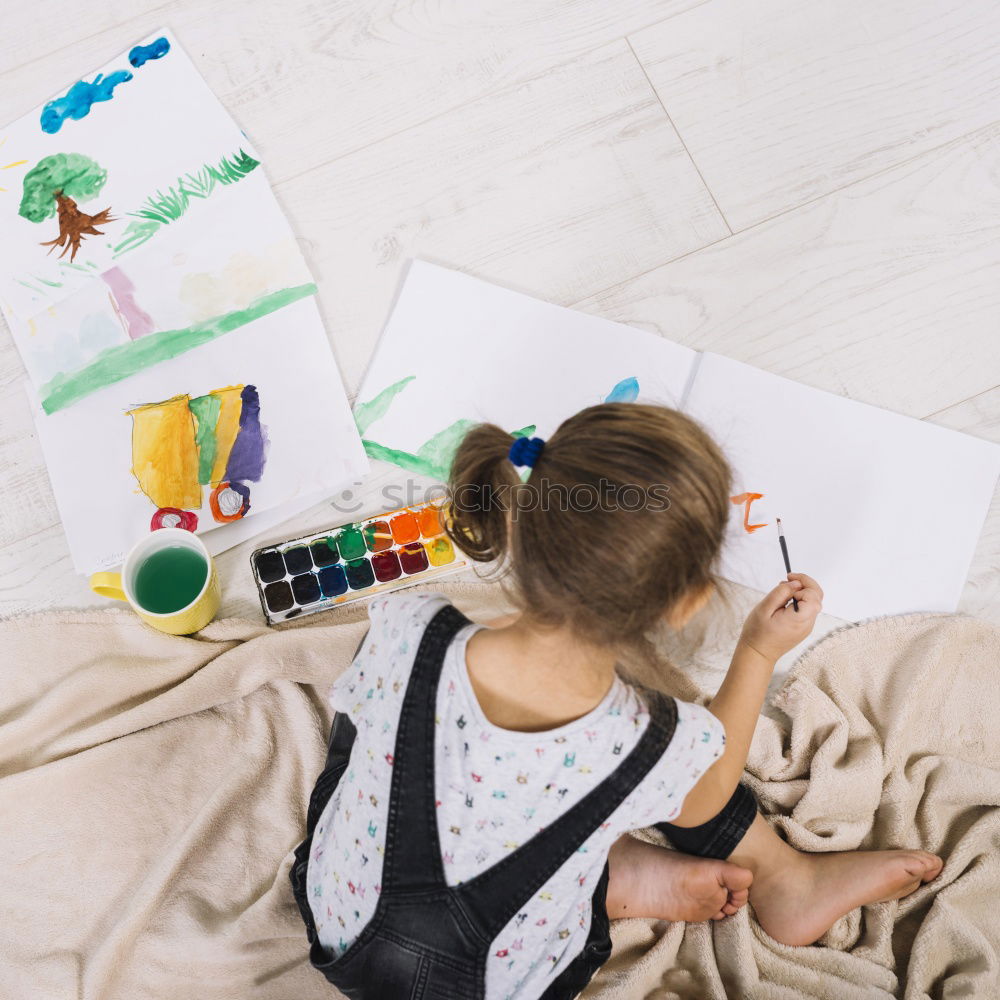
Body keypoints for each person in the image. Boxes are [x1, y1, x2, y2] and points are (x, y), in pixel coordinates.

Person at [289, 403, 942, 999]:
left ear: (522, 523)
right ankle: (630, 882)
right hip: (489, 983)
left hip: (341, 925)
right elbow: (709, 791)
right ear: (686, 604)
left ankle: (611, 872)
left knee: (373, 734)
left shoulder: (408, 622)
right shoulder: (653, 740)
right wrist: (757, 653)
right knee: (637, 788)